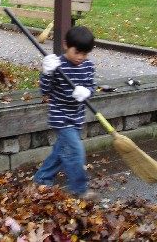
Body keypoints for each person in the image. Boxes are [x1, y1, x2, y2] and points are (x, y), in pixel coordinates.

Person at [33, 26, 98, 200]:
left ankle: (42, 178)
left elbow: (92, 87)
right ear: (65, 45)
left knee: (61, 151)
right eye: (77, 52)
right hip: (60, 117)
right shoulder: (57, 65)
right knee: (76, 151)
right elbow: (45, 91)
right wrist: (47, 72)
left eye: (85, 54)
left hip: (77, 117)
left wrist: (87, 92)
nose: (80, 57)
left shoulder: (88, 66)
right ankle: (80, 189)